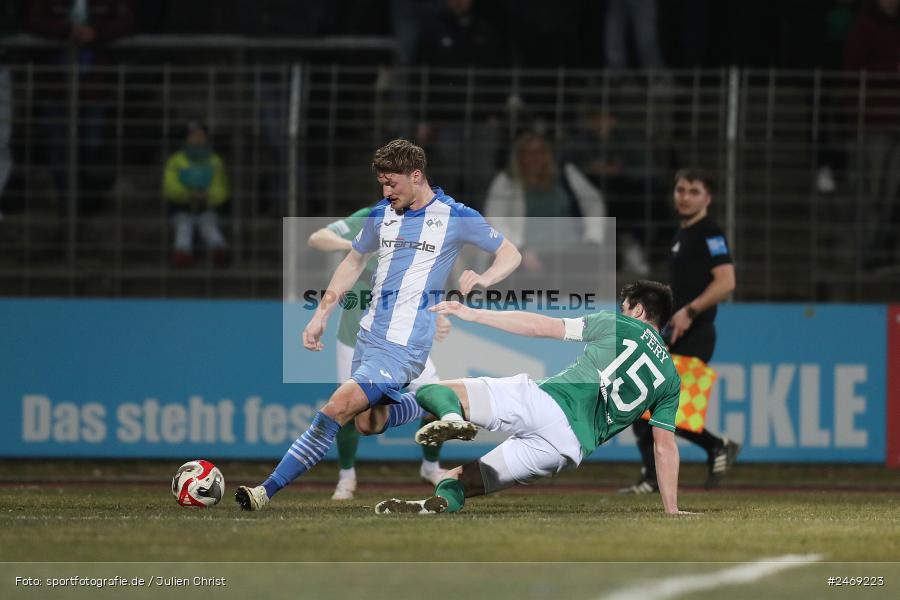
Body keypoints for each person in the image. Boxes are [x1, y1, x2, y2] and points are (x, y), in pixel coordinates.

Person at [235, 138, 521, 510]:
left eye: (392, 184)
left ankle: (264, 491)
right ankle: (427, 400)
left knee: (335, 409)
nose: (386, 192)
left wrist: (484, 278)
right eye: (382, 185)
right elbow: (353, 261)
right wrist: (321, 314)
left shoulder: (455, 216)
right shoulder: (380, 214)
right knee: (368, 423)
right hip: (368, 338)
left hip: (405, 346)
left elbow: (509, 253)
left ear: (416, 176)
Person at [373, 280, 693, 516]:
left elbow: (541, 326)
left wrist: (473, 315)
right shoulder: (670, 378)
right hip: (565, 449)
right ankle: (430, 506)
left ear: (637, 310)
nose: (619, 312)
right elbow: (664, 448)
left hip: (547, 403)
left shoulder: (620, 324)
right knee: (460, 481)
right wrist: (672, 509)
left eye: (623, 308)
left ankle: (453, 418)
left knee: (434, 390)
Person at [307, 208, 454, 499]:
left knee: (436, 398)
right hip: (355, 337)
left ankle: (431, 466)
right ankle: (346, 476)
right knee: (347, 407)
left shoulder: (423, 226)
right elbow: (317, 238)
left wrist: (439, 313)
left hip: (403, 339)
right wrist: (357, 244)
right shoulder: (369, 219)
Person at [621, 168, 739, 495]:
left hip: (695, 333)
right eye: (681, 190)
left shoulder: (709, 232)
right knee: (642, 403)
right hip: (675, 332)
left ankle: (714, 446)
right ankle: (659, 473)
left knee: (658, 407)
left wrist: (690, 311)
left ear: (708, 197)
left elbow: (726, 283)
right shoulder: (681, 234)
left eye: (694, 191)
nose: (685, 197)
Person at [484, 131, 606, 275]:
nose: (535, 158)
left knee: (587, 261)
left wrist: (592, 238)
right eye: (528, 153)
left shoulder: (566, 174)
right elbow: (494, 219)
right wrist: (519, 250)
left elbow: (594, 202)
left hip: (568, 251)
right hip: (527, 253)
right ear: (519, 157)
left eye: (539, 152)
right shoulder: (506, 181)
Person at [163, 120, 229, 267]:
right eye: (193, 136)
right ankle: (182, 253)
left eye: (201, 136)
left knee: (209, 226)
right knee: (183, 226)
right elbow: (170, 187)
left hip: (207, 209)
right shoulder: (176, 161)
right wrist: (188, 195)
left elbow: (221, 189)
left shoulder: (214, 161)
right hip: (182, 209)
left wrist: (208, 196)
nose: (197, 140)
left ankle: (219, 250)